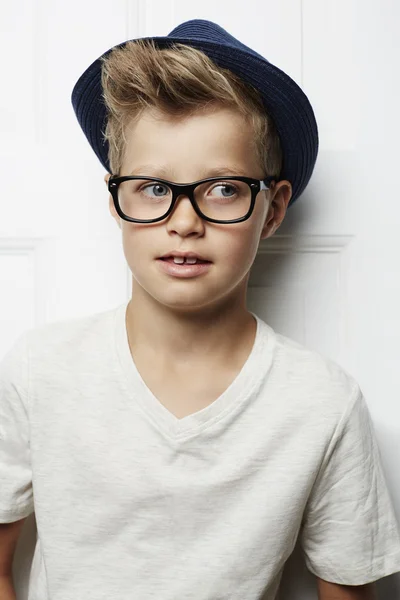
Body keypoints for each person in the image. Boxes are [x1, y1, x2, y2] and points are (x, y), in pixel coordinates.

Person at [1, 18, 400, 600]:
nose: (184, 222)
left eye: (223, 189)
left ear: (273, 208)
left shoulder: (322, 404)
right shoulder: (38, 371)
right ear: (116, 198)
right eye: (154, 188)